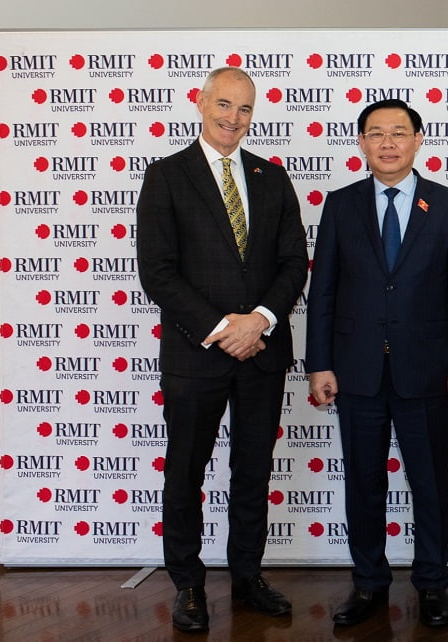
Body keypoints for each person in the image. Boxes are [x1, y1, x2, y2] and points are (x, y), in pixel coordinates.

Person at [136, 66, 308, 633]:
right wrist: (220, 328)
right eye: (225, 104)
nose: (234, 118)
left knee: (253, 471)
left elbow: (293, 262)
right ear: (201, 102)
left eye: (245, 108)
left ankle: (247, 576)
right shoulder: (166, 176)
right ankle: (187, 583)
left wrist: (258, 322)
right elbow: (157, 272)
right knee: (185, 472)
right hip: (195, 355)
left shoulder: (271, 177)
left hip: (262, 351)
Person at [306, 99, 448, 628]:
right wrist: (319, 363)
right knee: (363, 483)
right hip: (355, 371)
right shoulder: (341, 205)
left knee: (430, 483)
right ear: (361, 143)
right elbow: (323, 291)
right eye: (375, 133)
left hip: (426, 371)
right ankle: (368, 583)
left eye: (398, 132)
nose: (387, 143)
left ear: (418, 139)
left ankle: (432, 583)